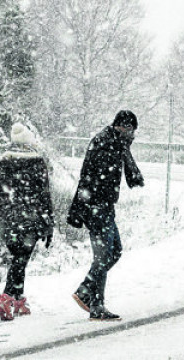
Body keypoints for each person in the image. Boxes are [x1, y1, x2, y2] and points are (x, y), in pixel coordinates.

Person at [67, 110, 144, 321]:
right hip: (97, 208)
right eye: (132, 131)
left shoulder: (114, 142)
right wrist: (87, 207)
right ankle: (95, 303)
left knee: (115, 251)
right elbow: (90, 178)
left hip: (104, 207)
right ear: (123, 127)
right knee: (103, 256)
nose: (133, 136)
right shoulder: (105, 144)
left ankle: (87, 292)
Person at [0, 123, 54, 322]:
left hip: (5, 220)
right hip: (30, 219)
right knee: (21, 258)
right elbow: (45, 196)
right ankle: (7, 297)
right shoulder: (37, 163)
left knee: (18, 257)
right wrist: (49, 223)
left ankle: (19, 300)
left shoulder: (4, 163)